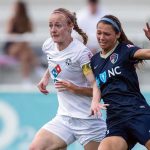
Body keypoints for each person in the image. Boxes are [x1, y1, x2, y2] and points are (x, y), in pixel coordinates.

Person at [29, 8, 107, 150]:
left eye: (58, 25)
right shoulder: (48, 45)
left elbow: (96, 87)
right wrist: (45, 77)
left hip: (88, 121)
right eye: (50, 25)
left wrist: (74, 88)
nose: (53, 30)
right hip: (64, 119)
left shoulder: (81, 54)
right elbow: (55, 61)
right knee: (35, 148)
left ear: (70, 26)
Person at [90, 15, 150, 150]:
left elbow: (147, 53)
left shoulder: (125, 49)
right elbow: (97, 84)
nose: (101, 37)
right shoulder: (94, 61)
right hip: (115, 120)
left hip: (137, 113)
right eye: (99, 33)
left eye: (106, 34)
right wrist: (95, 101)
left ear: (117, 34)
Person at [4, 1, 37, 83]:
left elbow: (31, 34)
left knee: (25, 54)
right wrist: (20, 37)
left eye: (16, 7)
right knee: (24, 44)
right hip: (11, 47)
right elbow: (8, 34)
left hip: (23, 48)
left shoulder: (27, 20)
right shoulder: (12, 20)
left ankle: (26, 79)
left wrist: (23, 38)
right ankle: (38, 67)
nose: (14, 9)